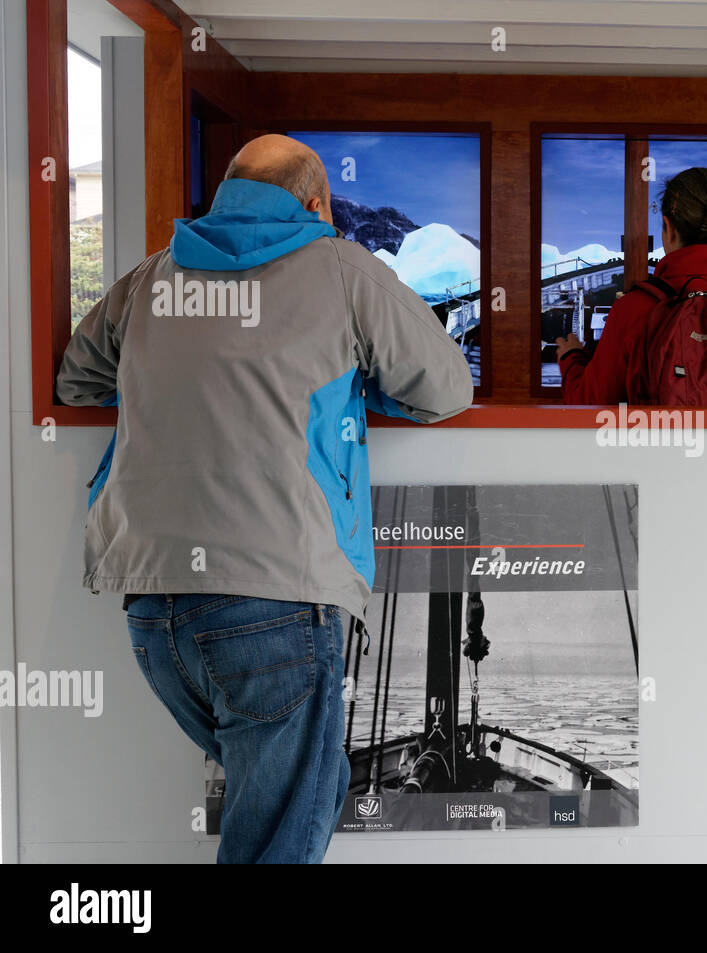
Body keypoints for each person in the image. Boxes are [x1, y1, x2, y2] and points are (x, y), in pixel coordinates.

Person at [55, 134, 474, 863]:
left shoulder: (153, 277)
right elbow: (445, 387)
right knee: (280, 833)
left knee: (276, 816)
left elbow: (76, 381)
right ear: (318, 205)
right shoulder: (343, 268)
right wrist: (351, 380)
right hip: (272, 604)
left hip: (155, 612)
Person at [556, 167, 707, 405]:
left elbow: (589, 403)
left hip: (654, 442)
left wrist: (571, 358)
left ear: (667, 227)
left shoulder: (632, 309)